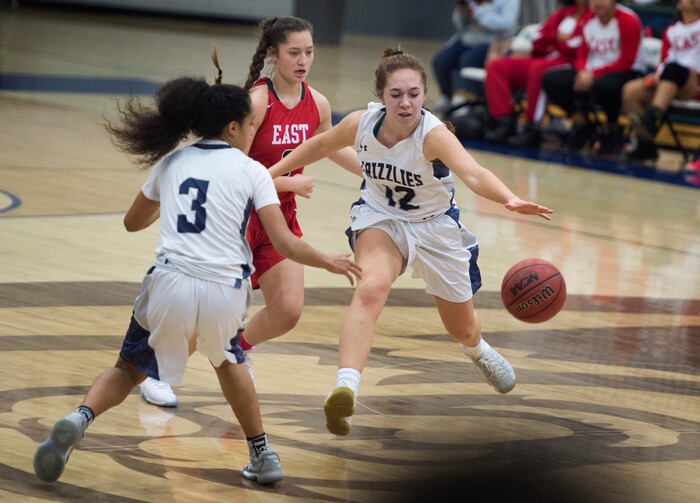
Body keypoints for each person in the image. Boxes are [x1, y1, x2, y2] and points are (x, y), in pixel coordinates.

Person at [33, 75, 361, 484]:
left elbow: (132, 223)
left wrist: (166, 201)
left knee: (127, 369)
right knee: (229, 361)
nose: (253, 133)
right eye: (251, 126)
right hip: (224, 289)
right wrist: (329, 260)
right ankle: (262, 454)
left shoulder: (172, 162)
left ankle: (79, 417)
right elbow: (286, 243)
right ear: (232, 127)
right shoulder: (252, 171)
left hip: (170, 284)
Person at [267, 47, 554, 436]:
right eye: (396, 95)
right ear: (381, 96)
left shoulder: (433, 135)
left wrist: (508, 198)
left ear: (423, 95)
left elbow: (473, 173)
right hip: (381, 217)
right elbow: (319, 145)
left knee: (462, 328)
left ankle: (477, 350)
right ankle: (344, 387)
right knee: (371, 287)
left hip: (434, 227)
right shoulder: (361, 123)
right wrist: (270, 173)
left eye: (414, 94)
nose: (406, 103)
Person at [138, 16, 363, 407]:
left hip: (279, 215)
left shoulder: (318, 102)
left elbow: (329, 146)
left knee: (288, 311)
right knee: (209, 307)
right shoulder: (257, 102)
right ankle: (157, 374)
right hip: (236, 216)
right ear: (273, 55)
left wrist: (377, 173)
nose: (303, 60)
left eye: (309, 52)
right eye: (294, 52)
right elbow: (229, 170)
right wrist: (286, 182)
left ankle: (236, 348)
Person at [541, 0, 646, 155]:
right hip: (591, 72)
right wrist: (583, 71)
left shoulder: (628, 20)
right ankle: (581, 121)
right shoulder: (588, 19)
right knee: (551, 79)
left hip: (626, 72)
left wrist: (593, 74)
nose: (598, 3)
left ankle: (612, 127)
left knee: (604, 85)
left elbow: (626, 61)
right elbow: (581, 54)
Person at [483, 0, 592, 147]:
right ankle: (504, 121)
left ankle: (532, 126)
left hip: (570, 62)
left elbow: (575, 47)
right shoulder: (562, 13)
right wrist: (556, 39)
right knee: (497, 66)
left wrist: (554, 41)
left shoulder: (594, 16)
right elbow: (537, 38)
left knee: (539, 68)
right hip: (545, 57)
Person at [621, 0, 700, 161]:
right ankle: (645, 146)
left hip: (693, 83)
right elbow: (664, 60)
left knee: (673, 69)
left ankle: (651, 119)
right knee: (631, 90)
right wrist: (657, 75)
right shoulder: (671, 30)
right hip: (668, 83)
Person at [432, 0, 521, 115]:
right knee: (441, 60)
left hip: (495, 42)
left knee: (467, 61)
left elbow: (507, 24)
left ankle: (483, 100)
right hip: (468, 39)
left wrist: (478, 12)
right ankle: (447, 97)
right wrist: (461, 13)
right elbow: (459, 25)